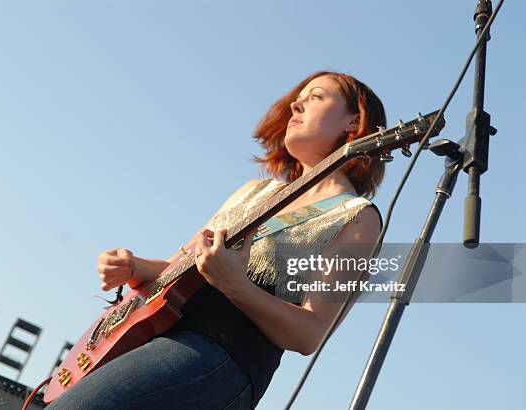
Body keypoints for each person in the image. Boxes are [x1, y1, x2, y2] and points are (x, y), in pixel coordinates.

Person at [47, 70, 386, 409]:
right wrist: (134, 266)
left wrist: (236, 284)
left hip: (220, 354)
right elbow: (176, 267)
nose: (296, 104)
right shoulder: (253, 191)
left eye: (316, 97)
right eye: (300, 97)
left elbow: (310, 333)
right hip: (156, 336)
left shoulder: (358, 216)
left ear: (354, 123)